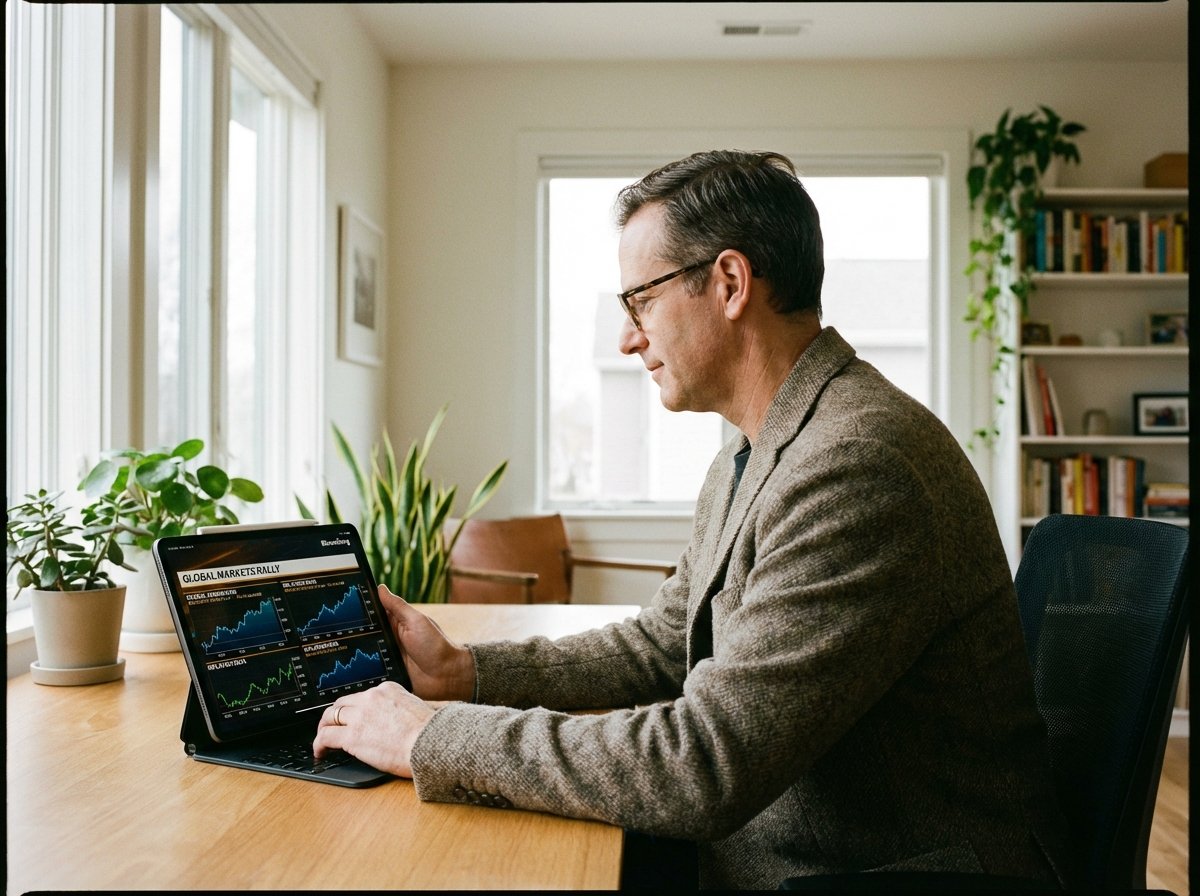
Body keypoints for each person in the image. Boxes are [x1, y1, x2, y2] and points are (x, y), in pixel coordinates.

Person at [314, 150, 1075, 890]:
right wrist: (467, 673)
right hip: (775, 847)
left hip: (866, 872)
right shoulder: (754, 451)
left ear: (730, 282)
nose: (627, 336)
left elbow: (703, 763)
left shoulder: (858, 465)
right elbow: (661, 646)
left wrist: (428, 736)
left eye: (641, 300)